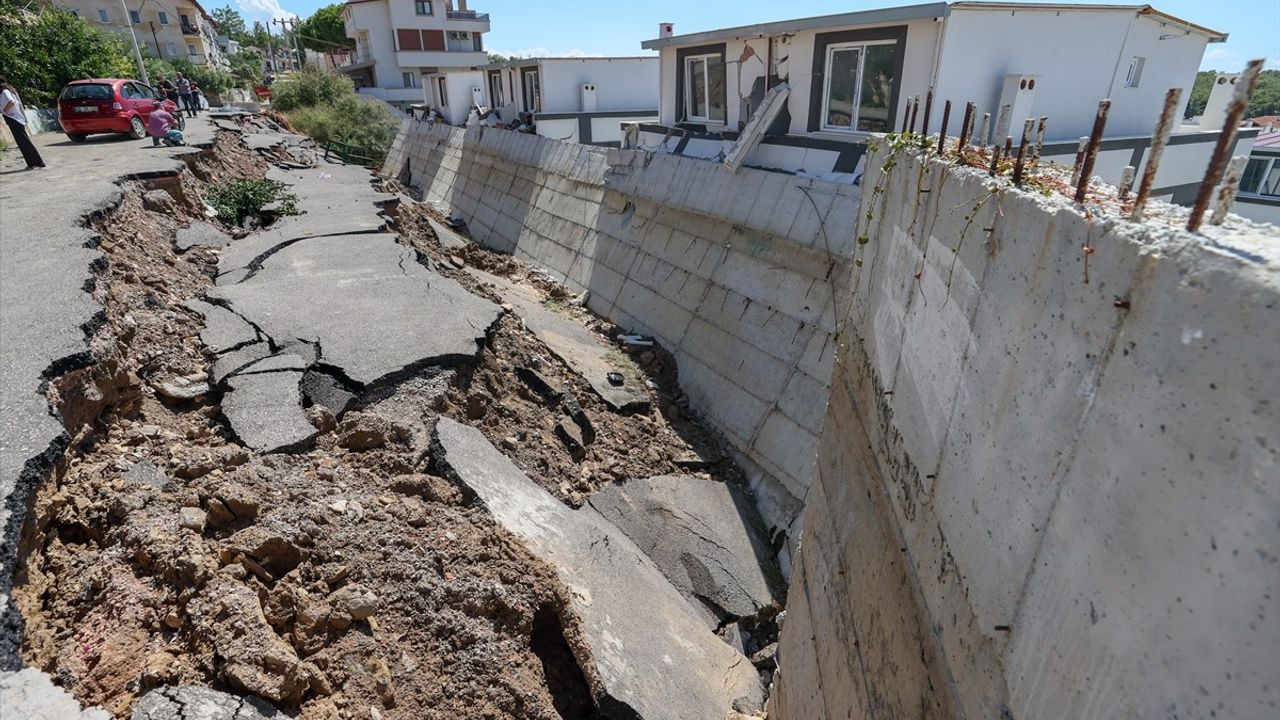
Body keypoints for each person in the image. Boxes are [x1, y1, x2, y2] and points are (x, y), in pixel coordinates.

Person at [0, 77, 45, 170]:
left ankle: (37, 163)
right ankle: (32, 163)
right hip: (16, 119)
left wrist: (5, 110)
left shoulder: (5, 92)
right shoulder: (9, 91)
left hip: (14, 119)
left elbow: (11, 102)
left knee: (25, 143)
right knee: (23, 143)